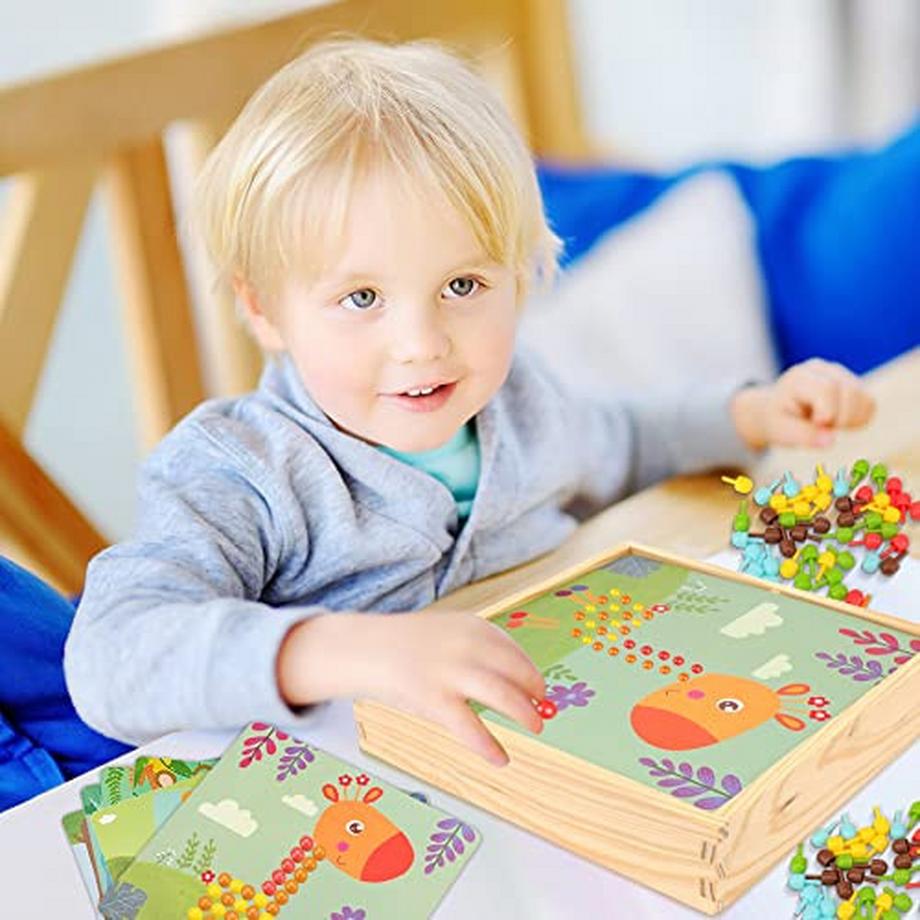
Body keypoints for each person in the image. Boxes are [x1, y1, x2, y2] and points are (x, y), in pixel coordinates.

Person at [63, 38, 875, 767]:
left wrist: (746, 415)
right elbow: (112, 656)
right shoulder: (241, 471)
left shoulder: (523, 403)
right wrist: (347, 651)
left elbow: (623, 440)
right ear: (263, 310)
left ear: (521, 277)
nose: (422, 342)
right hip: (366, 808)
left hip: (566, 753)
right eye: (361, 298)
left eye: (462, 284)